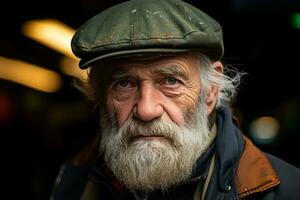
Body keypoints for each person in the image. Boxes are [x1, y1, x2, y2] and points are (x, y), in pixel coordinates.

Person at [50, 0, 300, 199]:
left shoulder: (286, 191)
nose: (146, 110)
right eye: (124, 83)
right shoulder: (73, 183)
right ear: (100, 96)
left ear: (211, 91)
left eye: (171, 81)